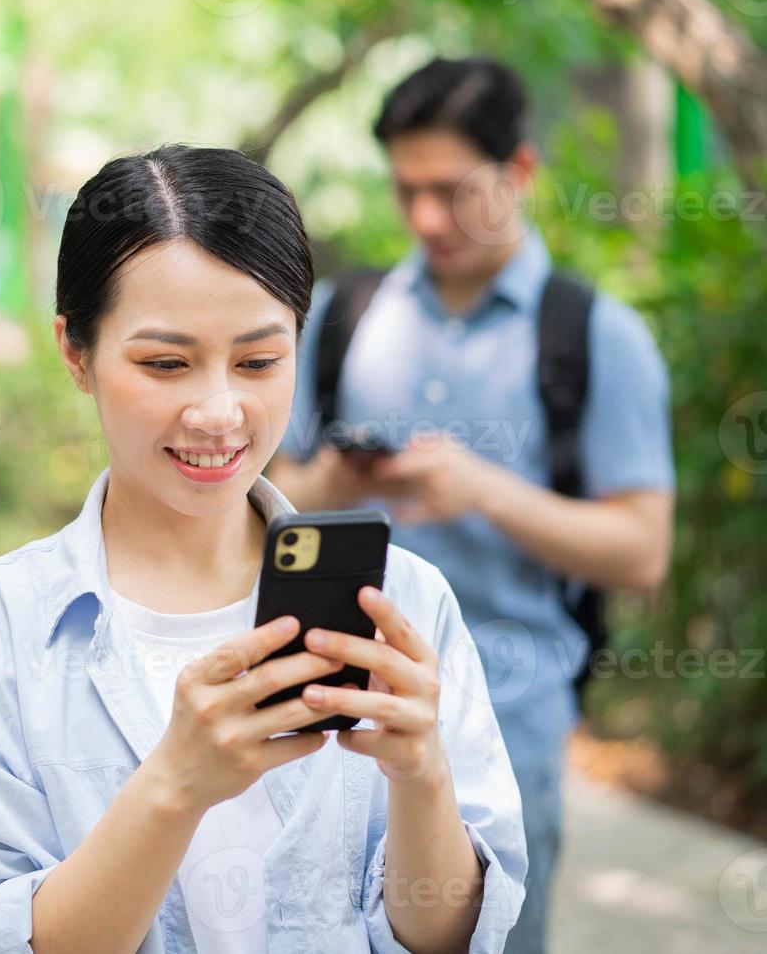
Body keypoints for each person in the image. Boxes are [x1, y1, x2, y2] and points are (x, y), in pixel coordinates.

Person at [0, 145, 526, 952]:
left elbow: (446, 937)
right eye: (166, 363)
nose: (220, 412)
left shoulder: (406, 602)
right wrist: (174, 785)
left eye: (260, 361)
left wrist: (422, 774)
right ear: (75, 352)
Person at [266, 57, 675, 953]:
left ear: (519, 173)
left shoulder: (596, 336)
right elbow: (262, 507)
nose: (424, 218)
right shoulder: (344, 313)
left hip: (507, 729)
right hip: (332, 726)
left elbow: (641, 550)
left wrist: (484, 490)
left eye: (451, 190)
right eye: (406, 189)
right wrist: (338, 482)